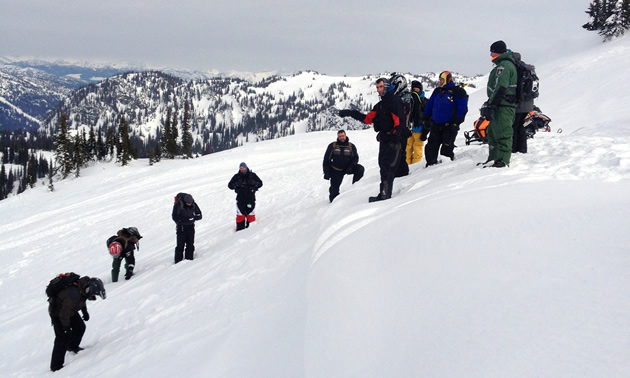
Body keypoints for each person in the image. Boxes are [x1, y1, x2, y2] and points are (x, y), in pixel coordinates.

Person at [339, 77, 406, 202]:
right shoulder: (380, 105)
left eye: (381, 87)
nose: (379, 90)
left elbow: (399, 124)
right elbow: (367, 119)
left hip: (393, 141)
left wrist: (391, 135)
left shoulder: (394, 101)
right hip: (385, 140)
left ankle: (385, 195)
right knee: (383, 166)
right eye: (377, 88)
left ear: (386, 86)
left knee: (387, 167)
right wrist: (350, 113)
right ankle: (384, 193)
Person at [48, 276, 106, 372]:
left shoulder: (82, 289)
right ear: (90, 289)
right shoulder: (74, 294)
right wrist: (66, 327)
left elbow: (82, 300)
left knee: (80, 327)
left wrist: (85, 312)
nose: (94, 297)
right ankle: (55, 366)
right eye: (94, 294)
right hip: (57, 313)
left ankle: (72, 346)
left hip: (70, 309)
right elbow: (64, 314)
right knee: (62, 337)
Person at [480, 40, 518, 167]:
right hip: (500, 104)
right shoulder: (502, 65)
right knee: (493, 132)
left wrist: (492, 104)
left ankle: (502, 160)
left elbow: (501, 86)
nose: (490, 55)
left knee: (503, 133)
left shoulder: (505, 66)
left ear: (497, 52)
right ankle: (494, 158)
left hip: (504, 106)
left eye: (492, 52)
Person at [422, 71, 469, 166]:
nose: (440, 82)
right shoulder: (437, 91)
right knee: (431, 147)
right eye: (439, 80)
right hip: (435, 125)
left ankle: (445, 169)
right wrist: (426, 118)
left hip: (449, 126)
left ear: (448, 79)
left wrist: (456, 123)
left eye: (442, 79)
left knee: (447, 148)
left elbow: (462, 109)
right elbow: (430, 105)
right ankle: (430, 164)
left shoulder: (458, 92)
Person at [322, 129, 365, 202]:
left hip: (347, 168)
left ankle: (355, 188)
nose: (341, 137)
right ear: (338, 137)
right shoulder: (333, 146)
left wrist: (351, 167)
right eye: (340, 136)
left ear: (345, 136)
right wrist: (326, 172)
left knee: (360, 169)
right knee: (333, 193)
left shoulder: (351, 146)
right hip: (336, 169)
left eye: (343, 136)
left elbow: (355, 158)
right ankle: (334, 203)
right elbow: (326, 159)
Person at [511, 52, 535, 154]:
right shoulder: (528, 69)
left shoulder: (517, 69)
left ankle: (515, 149)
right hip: (529, 103)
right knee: (521, 127)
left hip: (520, 104)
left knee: (515, 127)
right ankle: (522, 149)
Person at [228, 162, 263, 230]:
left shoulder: (252, 175)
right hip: (240, 199)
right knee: (240, 216)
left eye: (243, 167)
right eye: (241, 168)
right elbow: (230, 185)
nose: (242, 169)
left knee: (250, 216)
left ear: (246, 167)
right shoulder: (237, 176)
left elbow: (260, 183)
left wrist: (253, 183)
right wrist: (237, 184)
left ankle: (251, 231)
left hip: (250, 199)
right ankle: (239, 232)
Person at [172, 193, 202, 263]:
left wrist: (193, 218)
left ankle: (189, 260)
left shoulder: (194, 204)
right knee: (180, 246)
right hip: (181, 228)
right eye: (188, 203)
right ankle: (178, 262)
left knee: (190, 244)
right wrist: (185, 220)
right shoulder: (178, 205)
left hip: (191, 228)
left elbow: (200, 215)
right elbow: (174, 217)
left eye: (190, 203)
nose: (189, 204)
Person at [406, 80, 429, 165]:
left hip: (420, 129)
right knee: (407, 148)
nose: (415, 91)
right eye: (414, 89)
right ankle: (406, 164)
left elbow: (429, 117)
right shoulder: (410, 101)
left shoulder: (424, 101)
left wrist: (425, 131)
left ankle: (415, 166)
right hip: (410, 129)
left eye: (417, 89)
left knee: (417, 148)